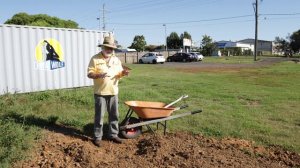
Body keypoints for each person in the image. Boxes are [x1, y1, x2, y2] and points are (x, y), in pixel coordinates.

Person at [87, 35, 129, 147]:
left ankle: (113, 135)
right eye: (107, 47)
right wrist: (97, 75)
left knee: (114, 115)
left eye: (111, 48)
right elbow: (89, 74)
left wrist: (123, 73)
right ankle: (97, 137)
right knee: (99, 117)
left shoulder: (116, 60)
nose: (109, 50)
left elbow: (118, 74)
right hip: (100, 93)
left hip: (113, 92)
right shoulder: (95, 58)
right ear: (103, 47)